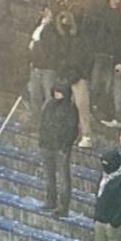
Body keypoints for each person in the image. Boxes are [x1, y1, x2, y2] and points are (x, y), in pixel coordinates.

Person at [38, 81, 78, 217]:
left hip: (60, 148)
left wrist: (65, 146)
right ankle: (51, 200)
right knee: (49, 176)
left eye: (59, 91)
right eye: (55, 91)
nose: (56, 94)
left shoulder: (70, 108)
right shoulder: (49, 105)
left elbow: (72, 129)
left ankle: (63, 205)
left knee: (63, 178)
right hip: (47, 146)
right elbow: (43, 124)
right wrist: (42, 142)